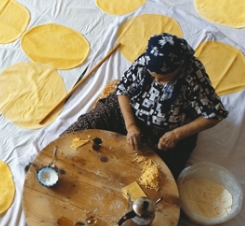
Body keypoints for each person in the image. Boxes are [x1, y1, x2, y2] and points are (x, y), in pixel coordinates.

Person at [62, 33, 229, 178]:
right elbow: (123, 91)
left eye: (162, 77)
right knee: (82, 129)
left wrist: (177, 134)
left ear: (177, 69)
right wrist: (131, 126)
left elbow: (214, 115)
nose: (156, 81)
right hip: (127, 113)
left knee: (157, 177)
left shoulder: (193, 76)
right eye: (152, 75)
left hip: (167, 131)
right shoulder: (147, 60)